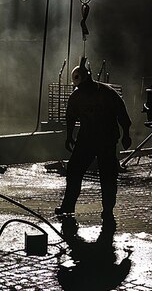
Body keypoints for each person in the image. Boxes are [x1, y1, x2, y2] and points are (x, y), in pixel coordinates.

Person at [55, 58, 132, 219]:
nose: (82, 89)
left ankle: (108, 210)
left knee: (108, 176)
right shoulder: (76, 96)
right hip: (86, 140)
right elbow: (70, 117)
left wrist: (126, 133)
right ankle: (68, 206)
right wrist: (69, 135)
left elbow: (122, 113)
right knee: (74, 172)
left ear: (89, 79)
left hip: (106, 139)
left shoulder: (107, 93)